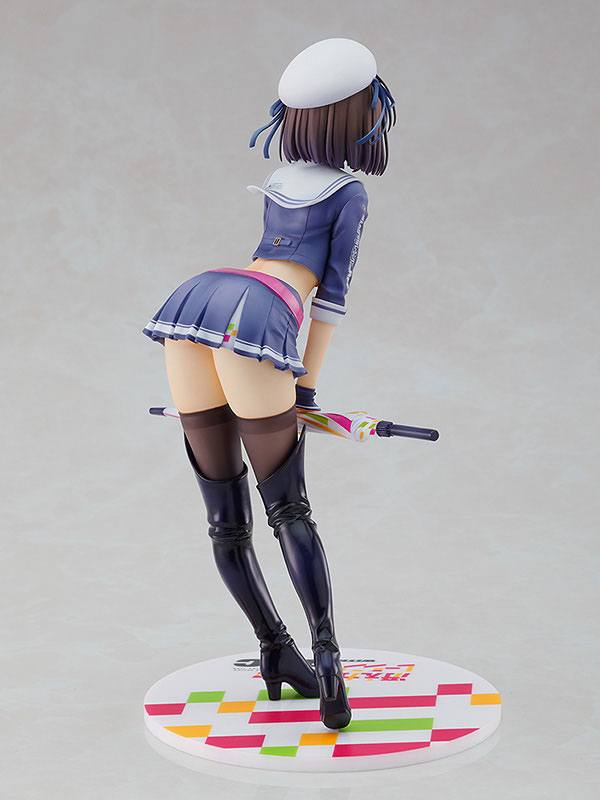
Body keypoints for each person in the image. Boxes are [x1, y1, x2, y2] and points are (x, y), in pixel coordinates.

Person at [142, 38, 396, 730]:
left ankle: (274, 648)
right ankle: (327, 660)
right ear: (357, 115)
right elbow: (329, 301)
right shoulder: (349, 194)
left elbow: (271, 256)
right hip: (258, 318)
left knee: (224, 521)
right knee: (289, 510)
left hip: (199, 299)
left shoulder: (281, 178)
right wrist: (304, 389)